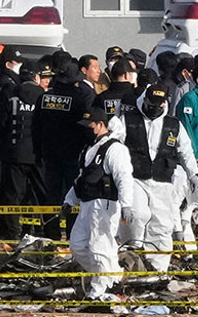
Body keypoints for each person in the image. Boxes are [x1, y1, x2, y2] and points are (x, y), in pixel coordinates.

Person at [115, 83, 198, 271]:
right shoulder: (127, 120)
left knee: (162, 224)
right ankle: (130, 251)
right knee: (137, 214)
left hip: (162, 180)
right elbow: (114, 145)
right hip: (134, 178)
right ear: (145, 99)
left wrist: (193, 173)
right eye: (151, 102)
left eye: (159, 103)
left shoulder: (173, 124)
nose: (155, 107)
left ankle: (158, 269)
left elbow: (185, 151)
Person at [60, 107, 133, 299]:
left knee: (100, 247)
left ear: (100, 125)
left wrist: (127, 205)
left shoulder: (115, 149)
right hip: (86, 203)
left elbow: (124, 178)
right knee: (78, 245)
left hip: (105, 205)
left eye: (89, 126)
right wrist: (69, 200)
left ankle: (99, 289)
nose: (85, 129)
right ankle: (112, 276)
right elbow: (82, 178)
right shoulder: (88, 148)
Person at [32, 62, 91, 239]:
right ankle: (73, 233)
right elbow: (86, 128)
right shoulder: (80, 99)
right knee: (72, 195)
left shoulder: (44, 98)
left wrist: (38, 151)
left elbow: (35, 127)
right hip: (73, 154)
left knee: (51, 195)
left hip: (49, 155)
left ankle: (52, 233)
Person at [0, 48, 45, 239]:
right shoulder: (41, 95)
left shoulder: (11, 93)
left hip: (14, 152)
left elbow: (2, 122)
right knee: (40, 196)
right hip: (37, 154)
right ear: (36, 77)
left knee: (11, 195)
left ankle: (10, 233)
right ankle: (43, 231)